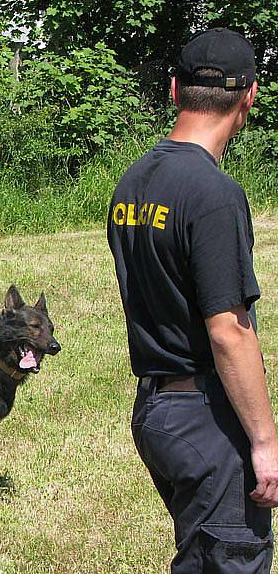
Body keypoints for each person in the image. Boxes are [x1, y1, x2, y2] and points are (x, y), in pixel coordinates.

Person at [107, 28, 278, 572]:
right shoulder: (213, 194)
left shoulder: (134, 182)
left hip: (157, 410)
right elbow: (228, 329)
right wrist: (265, 442)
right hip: (205, 417)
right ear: (249, 95)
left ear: (175, 88)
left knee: (200, 555)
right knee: (230, 560)